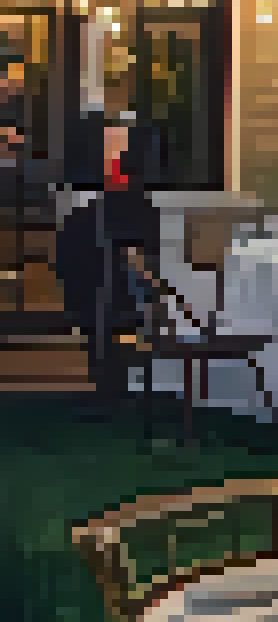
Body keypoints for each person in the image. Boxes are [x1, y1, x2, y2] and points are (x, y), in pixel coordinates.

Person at [57, 114, 160, 405]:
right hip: (100, 292)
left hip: (117, 293)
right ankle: (108, 380)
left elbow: (142, 252)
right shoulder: (88, 214)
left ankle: (112, 382)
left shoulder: (135, 206)